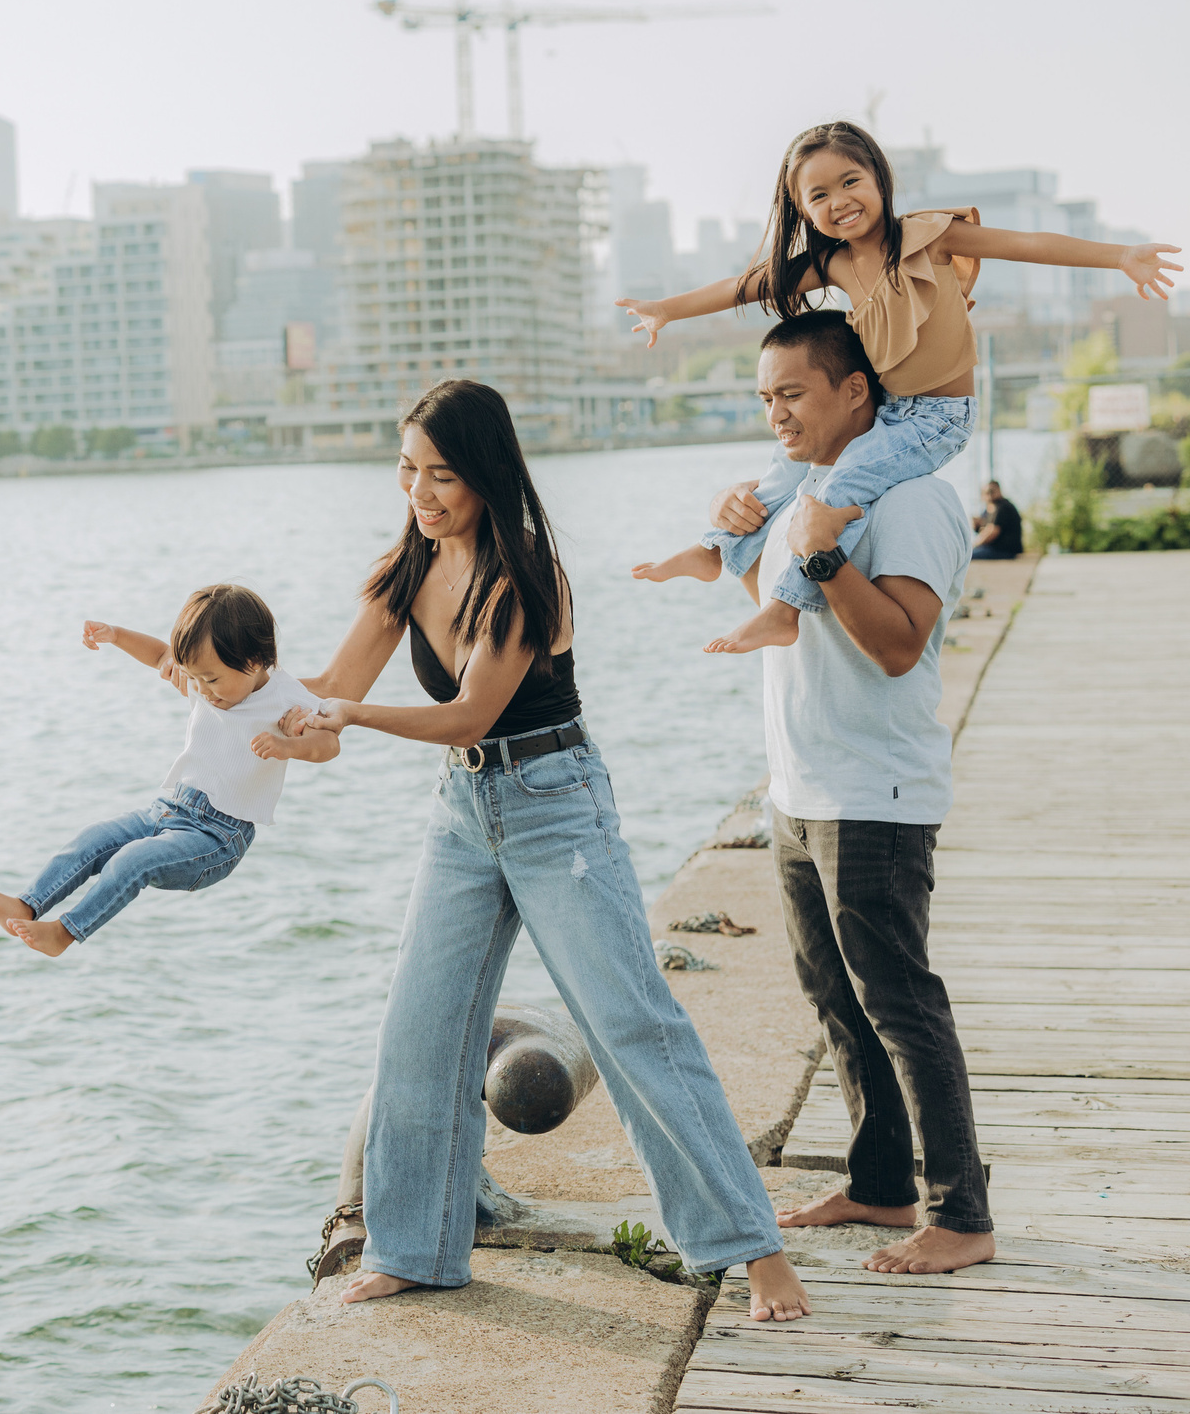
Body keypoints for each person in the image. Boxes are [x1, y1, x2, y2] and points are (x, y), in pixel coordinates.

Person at [265, 380, 810, 1323]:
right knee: (421, 1027)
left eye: (442, 475)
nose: (421, 493)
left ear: (485, 475)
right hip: (464, 811)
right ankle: (417, 1249)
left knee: (631, 1025)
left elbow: (468, 711)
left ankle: (756, 1252)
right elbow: (330, 692)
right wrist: (251, 705)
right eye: (407, 470)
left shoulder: (525, 579)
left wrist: (350, 714)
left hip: (557, 807)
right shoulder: (401, 571)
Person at [622, 120, 1177, 654]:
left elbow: (1025, 242)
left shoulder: (929, 236)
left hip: (939, 418)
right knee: (785, 468)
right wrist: (666, 310)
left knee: (838, 486)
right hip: (887, 411)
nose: (838, 200)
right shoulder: (833, 265)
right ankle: (716, 549)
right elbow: (744, 286)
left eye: (850, 182)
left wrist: (1120, 256)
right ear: (805, 212)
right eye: (818, 195)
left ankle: (785, 610)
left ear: (879, 180)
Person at [703, 310, 996, 1275]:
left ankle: (962, 1214)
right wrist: (744, 535)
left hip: (876, 788)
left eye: (793, 393)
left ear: (855, 389)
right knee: (835, 996)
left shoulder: (910, 497)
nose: (775, 413)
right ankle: (880, 1185)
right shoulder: (809, 490)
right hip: (800, 785)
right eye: (764, 397)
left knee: (899, 1001)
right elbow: (776, 617)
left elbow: (898, 641)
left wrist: (824, 557)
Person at [0, 584, 327, 957]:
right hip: (170, 808)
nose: (202, 690)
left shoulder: (288, 698)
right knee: (94, 839)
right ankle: (28, 904)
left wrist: (290, 746)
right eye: (195, 677)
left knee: (132, 860)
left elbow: (329, 744)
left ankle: (65, 932)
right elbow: (160, 655)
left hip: (218, 837)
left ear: (253, 661)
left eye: (212, 679)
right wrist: (116, 635)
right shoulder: (207, 680)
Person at [971, 480, 1023, 560]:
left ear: (999, 490)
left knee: (967, 557)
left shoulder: (1003, 507)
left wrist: (974, 544)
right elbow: (984, 530)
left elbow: (992, 532)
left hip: (1004, 551)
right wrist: (976, 526)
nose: (990, 494)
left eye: (992, 491)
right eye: (986, 492)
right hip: (996, 549)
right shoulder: (989, 509)